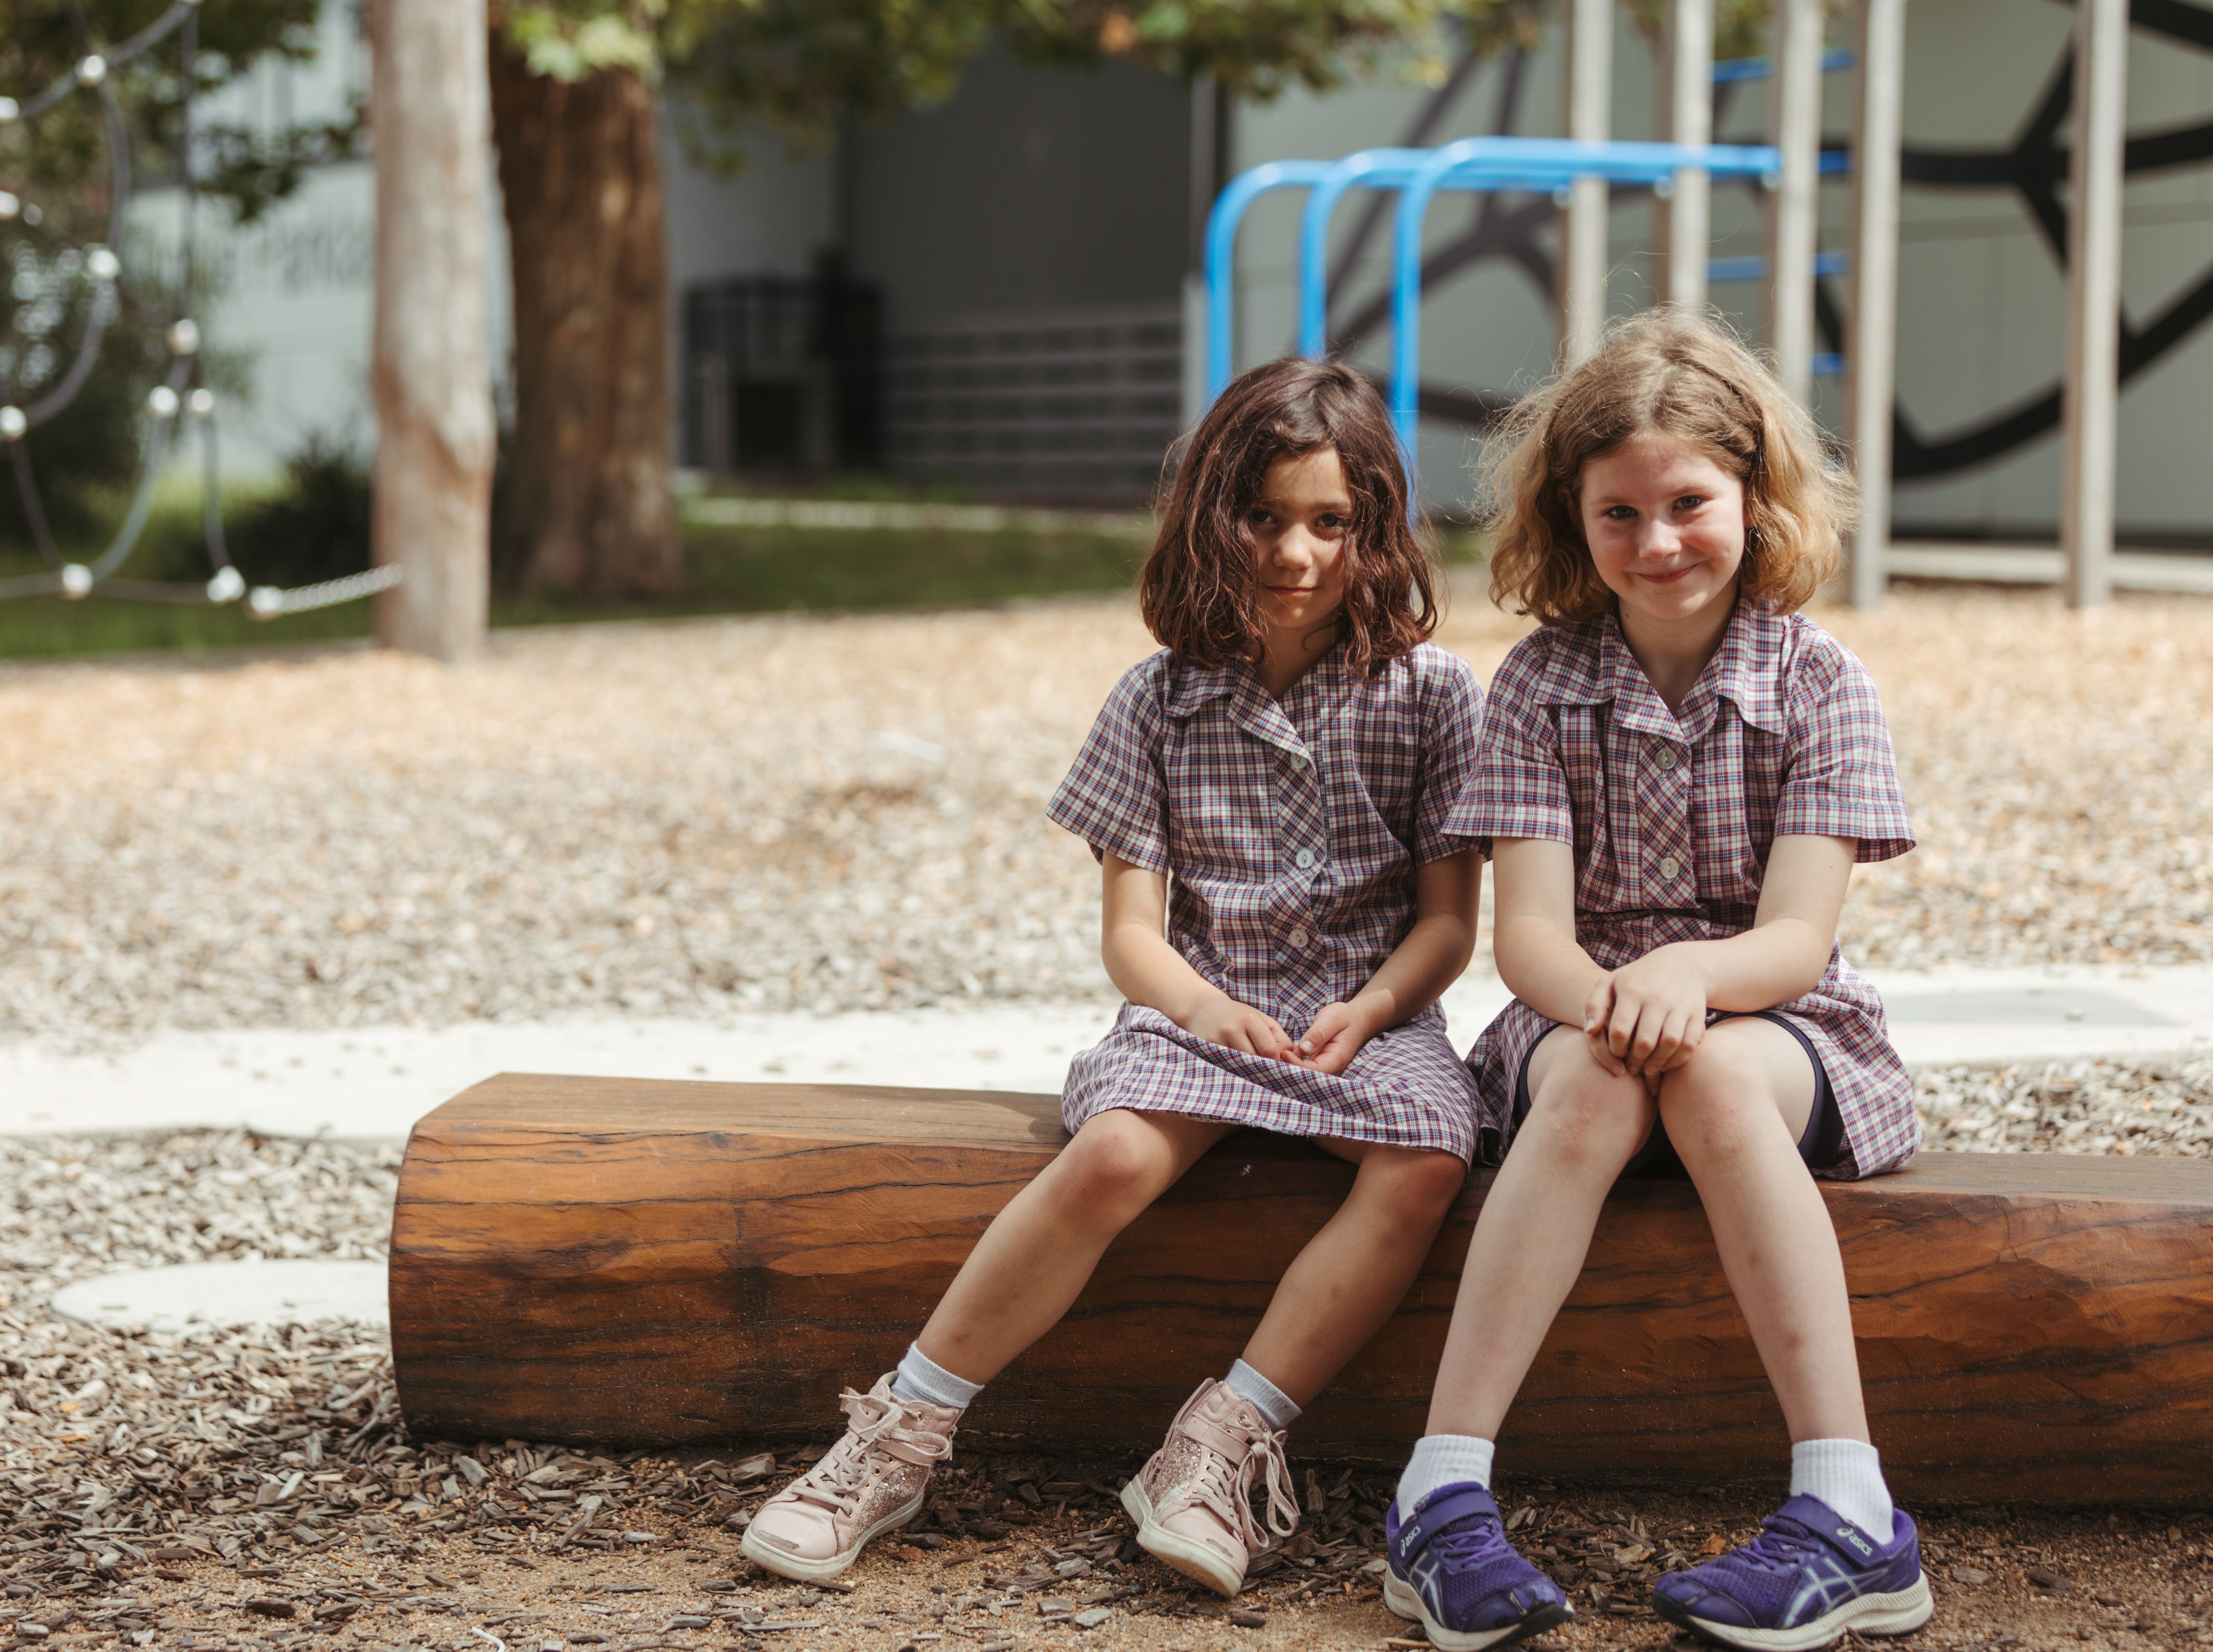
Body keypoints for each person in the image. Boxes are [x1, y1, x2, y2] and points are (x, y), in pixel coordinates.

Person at [742, 357, 1488, 1596]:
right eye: (1263, 517)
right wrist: (1201, 1008)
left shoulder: (1433, 695)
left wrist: (1379, 1006)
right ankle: (900, 1433)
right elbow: (1131, 933)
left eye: (1330, 523)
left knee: (1427, 1159)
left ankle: (1223, 1438)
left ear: (1376, 531)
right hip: (1198, 1008)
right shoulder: (1157, 701)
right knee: (1110, 1156)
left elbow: (1451, 924)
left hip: (1373, 1015)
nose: (1294, 553)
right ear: (1210, 515)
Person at [1380, 311, 1931, 1652]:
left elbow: (1796, 940)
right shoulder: (1540, 687)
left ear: (1754, 495)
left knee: (1718, 1069)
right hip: (1580, 1018)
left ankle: (1851, 1509)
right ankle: (1441, 1494)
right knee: (1584, 1088)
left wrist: (1685, 976)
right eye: (1618, 513)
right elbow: (1534, 947)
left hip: (1779, 1027)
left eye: (1690, 502)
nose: (1659, 540)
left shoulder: (1820, 683)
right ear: (1574, 523)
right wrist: (1621, 1004)